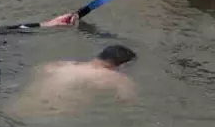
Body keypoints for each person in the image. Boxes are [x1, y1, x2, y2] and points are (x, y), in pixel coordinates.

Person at [9, 45, 138, 116]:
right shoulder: (116, 78)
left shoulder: (55, 65)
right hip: (50, 117)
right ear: (122, 65)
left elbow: (32, 73)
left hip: (14, 109)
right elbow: (129, 106)